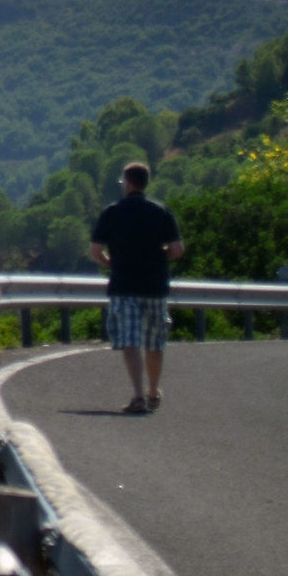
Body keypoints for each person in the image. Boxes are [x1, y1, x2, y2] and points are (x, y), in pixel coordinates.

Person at [89, 161, 185, 414]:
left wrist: (113, 263)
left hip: (124, 285)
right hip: (154, 285)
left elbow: (95, 251)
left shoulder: (112, 212)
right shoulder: (161, 211)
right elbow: (177, 250)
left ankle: (138, 395)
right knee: (155, 342)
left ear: (128, 183)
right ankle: (154, 391)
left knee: (130, 342)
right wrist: (156, 256)